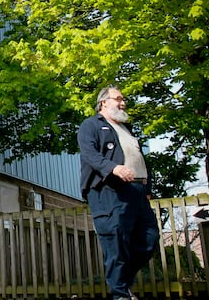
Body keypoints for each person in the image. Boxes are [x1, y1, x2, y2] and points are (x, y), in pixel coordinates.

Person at [78, 86, 159, 300]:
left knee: (149, 239)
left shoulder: (127, 128)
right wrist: (113, 168)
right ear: (104, 102)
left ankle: (122, 282)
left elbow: (140, 159)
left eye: (124, 99)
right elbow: (89, 153)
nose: (123, 102)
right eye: (118, 99)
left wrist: (146, 188)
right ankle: (120, 295)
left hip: (138, 192)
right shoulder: (91, 125)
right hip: (109, 190)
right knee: (115, 242)